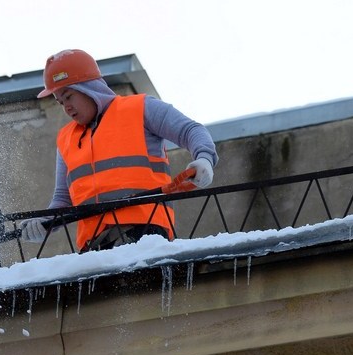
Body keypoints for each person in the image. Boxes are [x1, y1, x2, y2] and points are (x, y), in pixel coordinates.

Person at [19, 49, 218, 252]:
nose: (66, 107)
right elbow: (63, 198)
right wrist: (45, 223)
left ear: (89, 88)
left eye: (69, 96)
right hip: (93, 249)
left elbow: (190, 130)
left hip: (144, 236)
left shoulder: (140, 108)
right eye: (60, 102)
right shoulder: (65, 139)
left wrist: (204, 159)